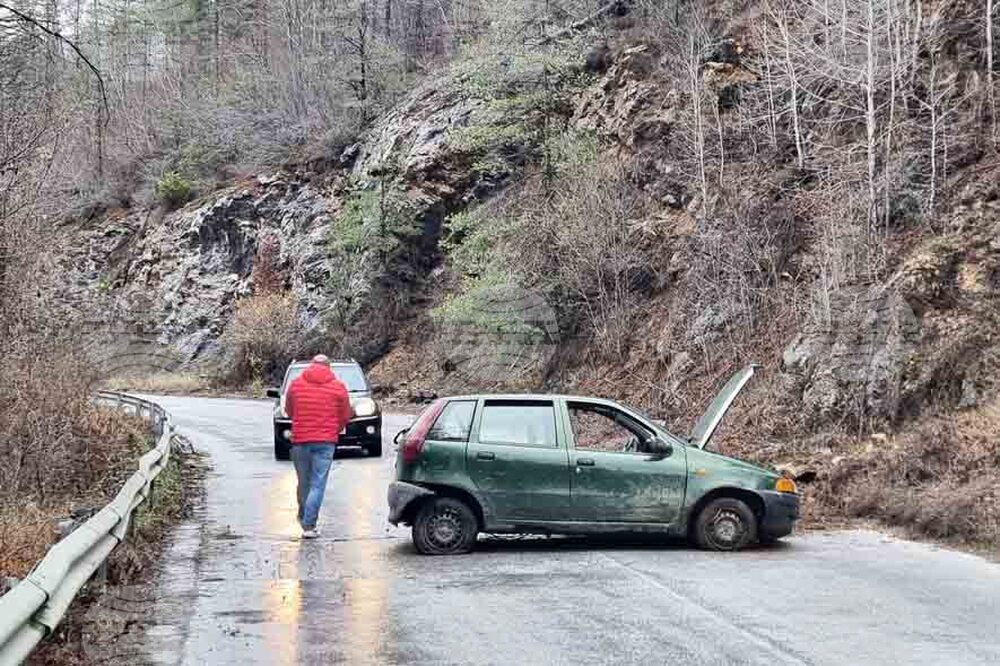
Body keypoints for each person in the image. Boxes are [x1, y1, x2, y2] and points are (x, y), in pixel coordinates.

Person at [286, 354, 353, 539]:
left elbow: (288, 410)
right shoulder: (338, 387)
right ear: (328, 367)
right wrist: (336, 428)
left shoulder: (296, 385)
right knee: (318, 484)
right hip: (325, 442)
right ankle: (309, 525)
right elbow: (346, 415)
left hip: (300, 440)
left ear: (311, 366)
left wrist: (299, 421)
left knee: (303, 481)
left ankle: (303, 514)